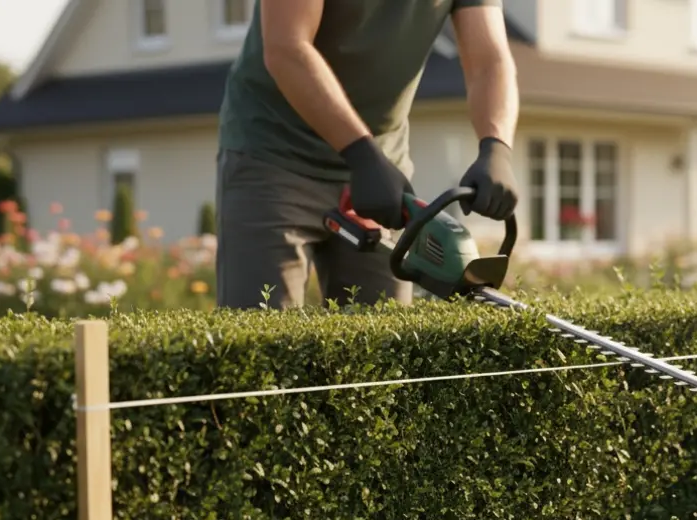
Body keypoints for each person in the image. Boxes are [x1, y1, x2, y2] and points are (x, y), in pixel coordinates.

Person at [214, 0, 519, 309]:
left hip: (384, 173)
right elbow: (287, 48)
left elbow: (489, 62)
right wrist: (360, 153)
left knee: (385, 337)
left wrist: (496, 147)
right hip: (274, 155)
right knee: (262, 333)